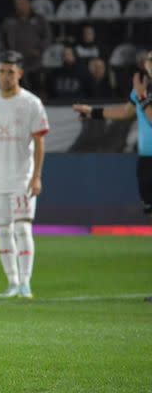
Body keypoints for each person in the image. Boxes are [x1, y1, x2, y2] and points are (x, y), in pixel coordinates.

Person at [72, 52, 152, 303]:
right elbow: (128, 111)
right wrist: (94, 113)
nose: (149, 63)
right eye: (149, 59)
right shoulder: (143, 89)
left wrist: (142, 96)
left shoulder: (143, 91)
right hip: (146, 163)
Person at [0, 51, 49, 300]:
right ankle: (12, 283)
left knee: (23, 229)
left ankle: (26, 283)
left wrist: (36, 176)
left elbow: (39, 142)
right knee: (3, 231)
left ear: (20, 74)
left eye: (10, 72)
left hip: (21, 177)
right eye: (2, 71)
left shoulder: (31, 103)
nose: (5, 77)